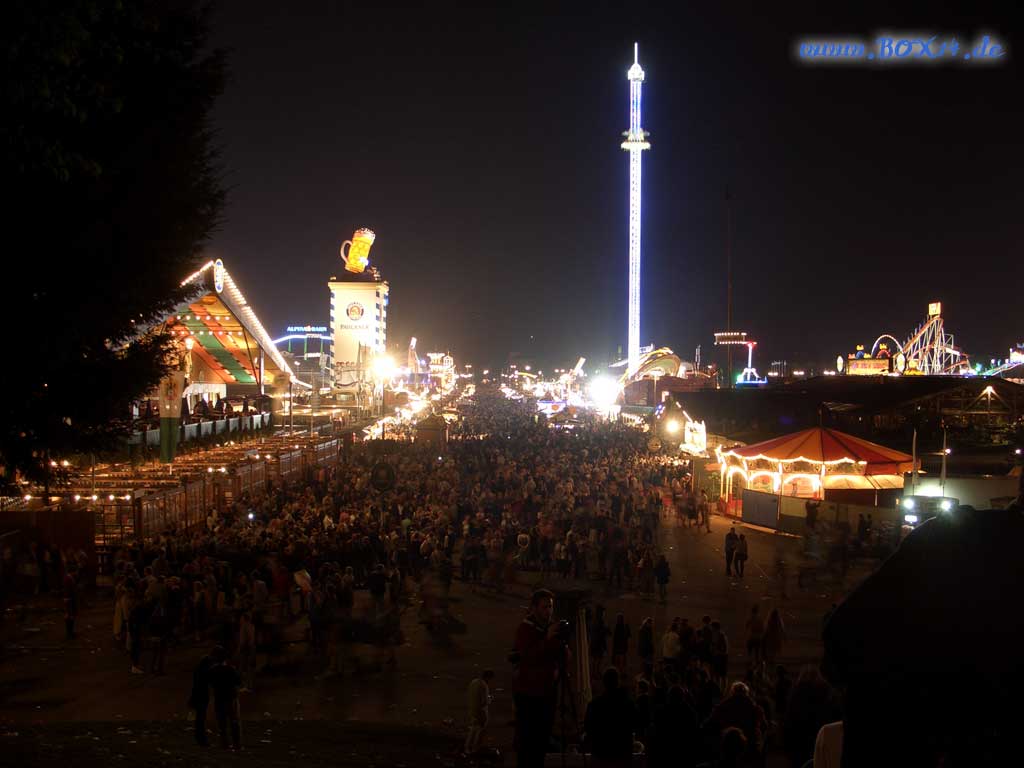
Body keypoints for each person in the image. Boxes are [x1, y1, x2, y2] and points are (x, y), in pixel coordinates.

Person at [512, 589, 563, 768]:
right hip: (529, 694)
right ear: (534, 608)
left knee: (542, 741)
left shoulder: (549, 629)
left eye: (550, 607)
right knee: (528, 743)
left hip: (546, 693)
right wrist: (547, 639)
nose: (549, 611)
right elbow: (528, 657)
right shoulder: (525, 629)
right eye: (545, 607)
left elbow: (561, 656)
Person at [583, 666, 636, 768]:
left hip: (601, 755)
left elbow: (587, 727)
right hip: (622, 754)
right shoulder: (627, 703)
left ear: (603, 682)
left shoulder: (594, 704)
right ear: (618, 682)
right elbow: (636, 723)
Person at [208, 646, 242, 750]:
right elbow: (238, 682)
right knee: (234, 721)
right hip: (231, 698)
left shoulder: (212, 670)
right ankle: (237, 744)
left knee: (222, 723)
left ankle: (224, 744)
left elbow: (210, 683)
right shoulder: (231, 669)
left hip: (219, 698)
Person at [188, 648, 218, 747]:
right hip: (202, 695)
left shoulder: (199, 670)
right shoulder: (206, 670)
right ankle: (201, 739)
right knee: (201, 718)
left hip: (198, 694)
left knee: (199, 718)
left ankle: (200, 737)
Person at [465, 669, 494, 756]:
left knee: (473, 729)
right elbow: (484, 702)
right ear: (488, 677)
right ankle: (474, 749)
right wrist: (490, 699)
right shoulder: (484, 685)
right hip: (480, 711)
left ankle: (467, 748)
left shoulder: (473, 682)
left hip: (472, 709)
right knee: (479, 730)